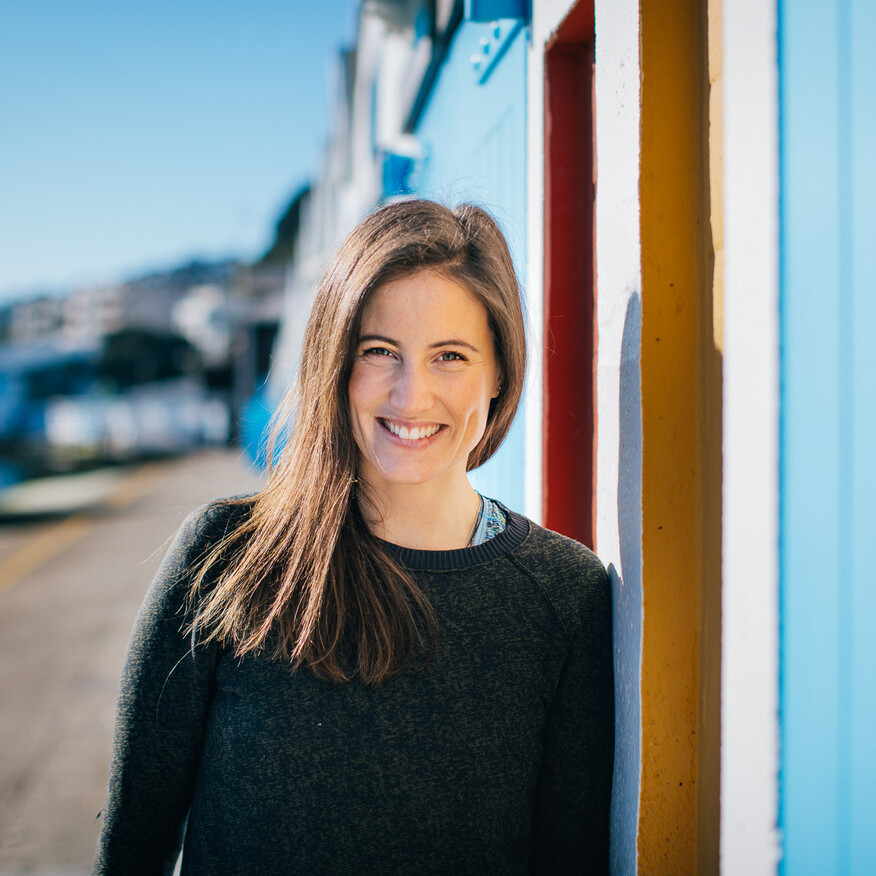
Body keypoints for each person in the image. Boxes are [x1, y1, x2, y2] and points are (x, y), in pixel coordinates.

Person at [93, 199, 614, 875]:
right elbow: (134, 840)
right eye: (380, 352)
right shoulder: (226, 555)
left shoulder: (563, 595)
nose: (411, 394)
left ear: (498, 377)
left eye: (450, 356)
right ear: (334, 365)